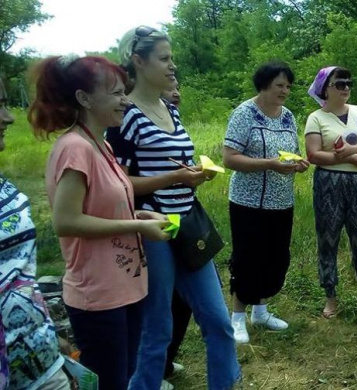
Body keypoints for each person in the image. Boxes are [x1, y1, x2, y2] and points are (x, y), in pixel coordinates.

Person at [107, 26, 240, 390]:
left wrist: (194, 174)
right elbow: (117, 185)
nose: (172, 65)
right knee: (157, 331)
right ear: (138, 61)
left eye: (171, 58)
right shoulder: (125, 117)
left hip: (189, 225)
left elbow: (172, 164)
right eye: (164, 58)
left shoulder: (170, 108)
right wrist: (174, 179)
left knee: (219, 322)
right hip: (154, 232)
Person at [28, 55, 171, 390]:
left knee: (122, 375)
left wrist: (139, 216)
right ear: (84, 98)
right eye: (115, 93)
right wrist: (136, 227)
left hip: (126, 285)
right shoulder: (75, 148)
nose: (124, 101)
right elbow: (66, 221)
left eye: (125, 92)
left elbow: (102, 209)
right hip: (97, 294)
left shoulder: (102, 144)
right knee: (109, 381)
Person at [223, 61, 309, 342]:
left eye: (288, 86)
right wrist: (269, 164)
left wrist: (298, 163)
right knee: (248, 258)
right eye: (279, 85)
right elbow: (230, 158)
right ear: (264, 85)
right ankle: (237, 318)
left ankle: (260, 311)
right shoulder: (244, 113)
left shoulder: (288, 117)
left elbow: (290, 152)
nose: (285, 91)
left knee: (275, 258)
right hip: (248, 202)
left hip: (281, 201)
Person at [0, 78, 71, 390]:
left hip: (39, 360)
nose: (9, 116)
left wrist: (47, 331)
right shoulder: (74, 149)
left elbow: (20, 278)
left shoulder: (5, 188)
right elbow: (67, 221)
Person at [304, 66, 357, 318]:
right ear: (325, 88)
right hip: (328, 182)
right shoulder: (316, 118)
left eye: (348, 83)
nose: (345, 88)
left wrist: (352, 154)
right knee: (328, 239)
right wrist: (340, 156)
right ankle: (330, 297)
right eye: (339, 84)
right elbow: (313, 155)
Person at [159, 77, 188, 380]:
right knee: (160, 300)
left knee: (182, 299)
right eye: (170, 87)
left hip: (184, 217)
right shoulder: (131, 120)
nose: (176, 92)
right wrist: (177, 176)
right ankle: (154, 370)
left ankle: (167, 361)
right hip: (153, 221)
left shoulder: (174, 116)